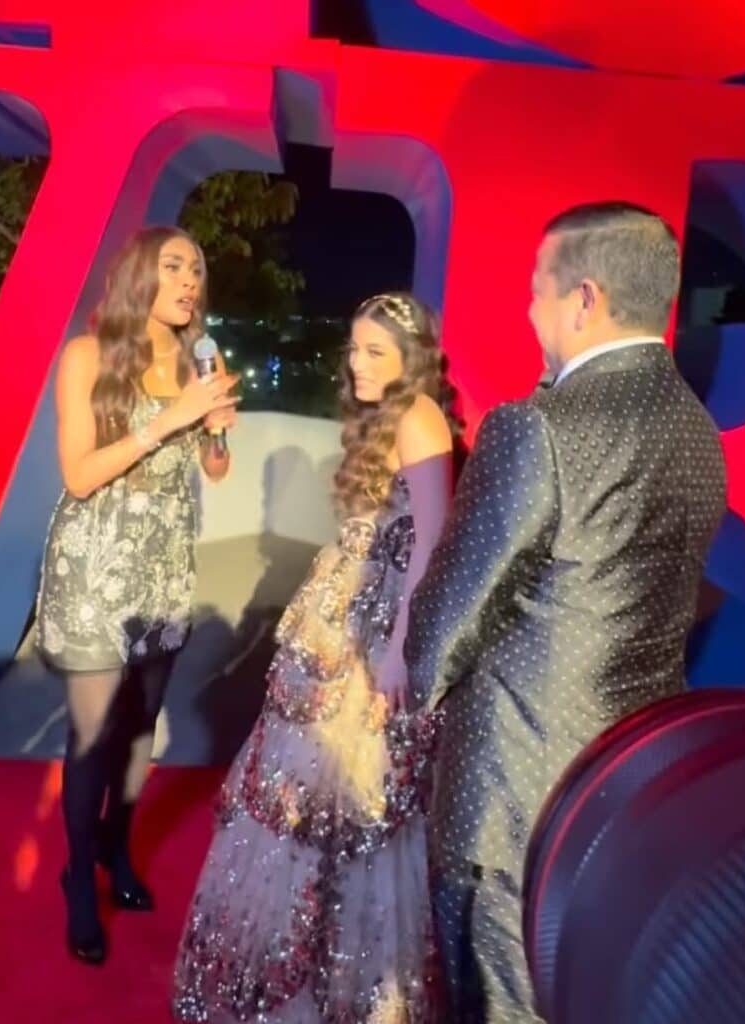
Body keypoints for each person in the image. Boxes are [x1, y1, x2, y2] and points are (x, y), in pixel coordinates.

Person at [405, 202, 728, 1022]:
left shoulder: (536, 427)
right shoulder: (699, 430)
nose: (529, 311)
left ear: (584, 299)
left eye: (536, 290)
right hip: (633, 789)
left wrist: (416, 696)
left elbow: (445, 623)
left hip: (513, 801)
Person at [172, 293, 456, 1022]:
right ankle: (298, 981)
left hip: (375, 637)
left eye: (375, 352)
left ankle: (346, 991)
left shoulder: (419, 417)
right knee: (302, 804)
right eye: (354, 348)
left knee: (357, 802)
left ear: (411, 358)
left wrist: (400, 652)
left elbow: (431, 545)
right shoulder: (382, 416)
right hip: (337, 620)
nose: (357, 363)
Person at [35, 226, 239, 965]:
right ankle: (77, 880)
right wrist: (170, 420)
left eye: (197, 269)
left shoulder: (197, 359)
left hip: (163, 562)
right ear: (137, 275)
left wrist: (215, 432)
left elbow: (214, 469)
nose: (190, 280)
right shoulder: (87, 355)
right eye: (174, 265)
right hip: (95, 564)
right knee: (93, 733)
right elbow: (79, 475)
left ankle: (115, 850)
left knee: (141, 725)